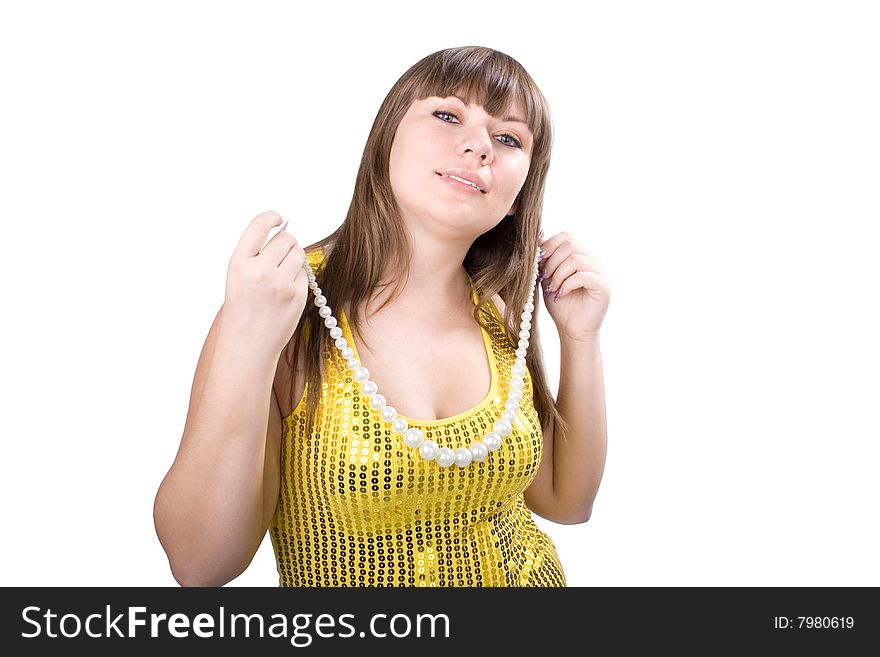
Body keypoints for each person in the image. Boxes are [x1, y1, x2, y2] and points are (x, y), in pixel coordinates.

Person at [153, 45, 610, 587]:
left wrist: (580, 337)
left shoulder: (498, 310)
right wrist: (248, 344)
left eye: (508, 138)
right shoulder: (287, 306)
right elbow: (199, 566)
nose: (478, 145)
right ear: (386, 136)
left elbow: (566, 500)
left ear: (519, 194)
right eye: (448, 115)